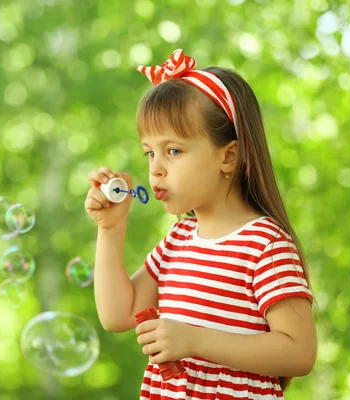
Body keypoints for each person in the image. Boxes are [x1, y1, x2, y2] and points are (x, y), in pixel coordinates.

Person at [85, 49, 317, 399]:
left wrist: (195, 339)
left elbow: (300, 353)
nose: (156, 169)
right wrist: (110, 229)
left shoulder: (264, 245)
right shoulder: (178, 239)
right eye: (150, 152)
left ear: (228, 156)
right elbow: (117, 315)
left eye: (173, 151)